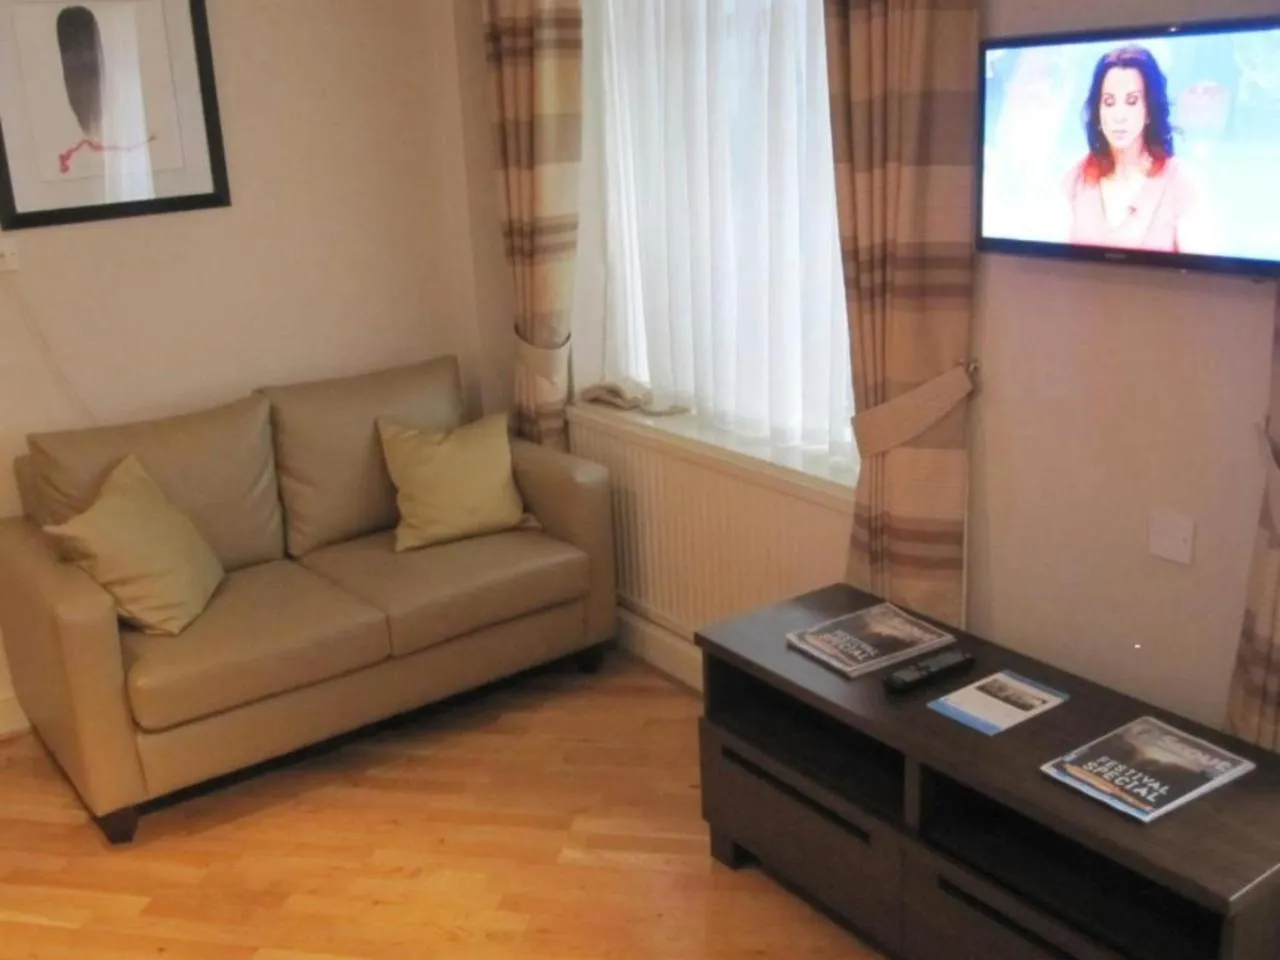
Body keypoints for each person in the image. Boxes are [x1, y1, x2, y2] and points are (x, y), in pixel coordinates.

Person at [1064, 45, 1214, 253]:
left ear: (1149, 111)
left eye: (1131, 101)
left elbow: (1205, 275)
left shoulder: (1179, 182)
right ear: (1098, 111)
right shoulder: (1076, 178)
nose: (1119, 115)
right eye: (1109, 102)